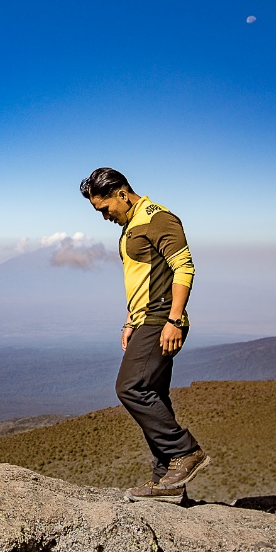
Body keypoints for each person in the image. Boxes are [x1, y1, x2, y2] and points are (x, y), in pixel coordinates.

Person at [80, 167, 209, 503]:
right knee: (155, 395)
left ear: (122, 193)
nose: (105, 216)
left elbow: (184, 267)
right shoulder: (132, 225)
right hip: (145, 319)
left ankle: (186, 452)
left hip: (162, 319)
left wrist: (174, 320)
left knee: (130, 387)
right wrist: (129, 320)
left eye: (105, 208)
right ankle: (167, 482)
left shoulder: (158, 219)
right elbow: (142, 278)